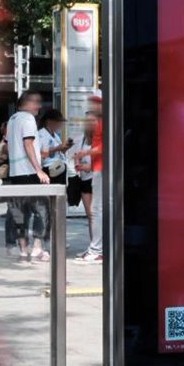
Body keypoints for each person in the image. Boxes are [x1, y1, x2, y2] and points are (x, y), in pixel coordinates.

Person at [3, 91, 50, 263]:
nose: (38, 106)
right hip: (30, 172)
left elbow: (8, 146)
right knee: (42, 211)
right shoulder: (28, 119)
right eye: (35, 102)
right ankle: (37, 248)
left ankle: (23, 249)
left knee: (20, 213)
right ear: (25, 103)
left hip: (16, 172)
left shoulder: (13, 119)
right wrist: (38, 169)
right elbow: (27, 142)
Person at [77, 90, 104, 264]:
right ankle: (96, 248)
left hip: (102, 170)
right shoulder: (100, 122)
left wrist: (86, 152)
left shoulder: (104, 121)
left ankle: (96, 250)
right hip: (97, 169)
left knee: (97, 211)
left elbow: (107, 145)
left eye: (96, 102)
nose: (92, 106)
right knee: (97, 211)